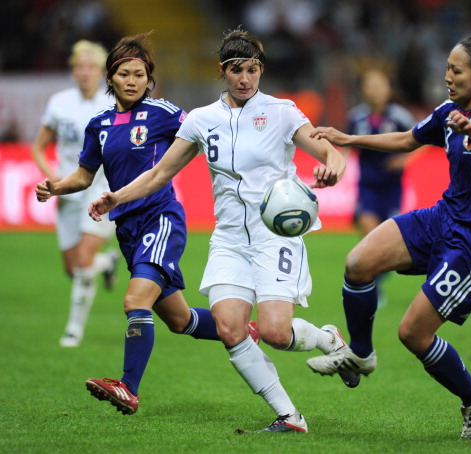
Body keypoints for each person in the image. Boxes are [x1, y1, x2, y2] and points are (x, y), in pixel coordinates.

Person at [87, 27, 352, 433]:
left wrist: (332, 163)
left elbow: (325, 149)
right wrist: (116, 197)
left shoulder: (282, 111)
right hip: (228, 238)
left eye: (252, 70)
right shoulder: (201, 119)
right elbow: (160, 173)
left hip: (274, 234)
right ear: (222, 72)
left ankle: (327, 338)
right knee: (228, 327)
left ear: (261, 70)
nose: (245, 79)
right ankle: (290, 416)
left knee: (276, 333)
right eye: (236, 71)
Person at [307, 36, 471, 439]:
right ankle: (360, 353)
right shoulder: (449, 110)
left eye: (456, 70)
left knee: (413, 333)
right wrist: (348, 138)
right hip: (442, 217)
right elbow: (409, 139)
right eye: (447, 67)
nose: (447, 77)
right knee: (359, 263)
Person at [35, 32, 256, 416]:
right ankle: (244, 330)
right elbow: (85, 176)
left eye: (140, 74)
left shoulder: (163, 113)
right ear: (111, 79)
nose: (133, 80)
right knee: (180, 320)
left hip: (162, 219)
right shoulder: (99, 125)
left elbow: (207, 131)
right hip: (127, 230)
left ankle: (128, 388)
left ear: (148, 79)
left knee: (135, 301)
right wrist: (54, 187)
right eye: (125, 74)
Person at [30, 39, 119, 348]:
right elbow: (39, 146)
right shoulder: (59, 103)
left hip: (101, 189)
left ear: (102, 72)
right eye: (79, 67)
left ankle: (73, 330)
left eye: (91, 67)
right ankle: (108, 263)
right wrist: (51, 173)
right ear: (72, 70)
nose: (85, 72)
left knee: (82, 262)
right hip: (67, 191)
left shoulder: (113, 103)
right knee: (72, 268)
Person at [347, 66, 417, 305]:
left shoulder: (400, 116)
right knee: (368, 229)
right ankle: (371, 283)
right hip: (367, 186)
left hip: (391, 188)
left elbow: (423, 140)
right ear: (363, 89)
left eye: (379, 84)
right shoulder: (356, 117)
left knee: (387, 239)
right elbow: (346, 146)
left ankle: (377, 274)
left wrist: (404, 159)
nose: (375, 90)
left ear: (389, 88)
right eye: (370, 85)